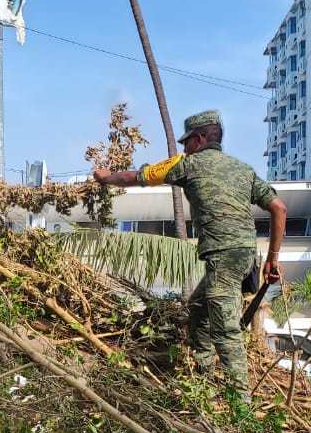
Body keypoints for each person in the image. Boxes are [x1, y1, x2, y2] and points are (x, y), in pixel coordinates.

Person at [93, 110, 287, 396]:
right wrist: (272, 258)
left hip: (222, 257)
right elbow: (279, 208)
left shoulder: (188, 165)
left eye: (186, 142)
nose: (184, 148)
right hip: (245, 256)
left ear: (199, 139)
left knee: (226, 331)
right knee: (198, 308)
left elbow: (138, 176)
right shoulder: (243, 170)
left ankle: (240, 408)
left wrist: (106, 178)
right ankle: (205, 379)